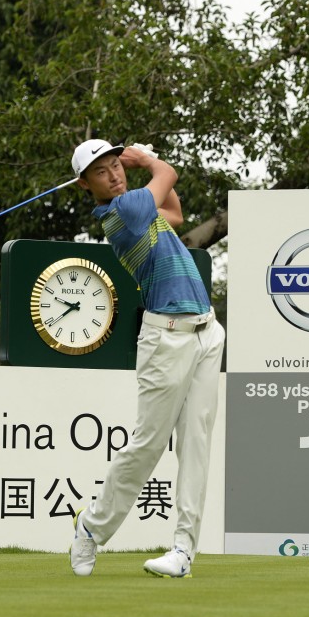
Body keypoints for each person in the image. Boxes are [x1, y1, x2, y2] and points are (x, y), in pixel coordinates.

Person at [68, 139, 225, 579]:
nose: (115, 174)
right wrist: (146, 160)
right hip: (166, 338)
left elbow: (173, 212)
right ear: (86, 185)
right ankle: (91, 528)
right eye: (102, 171)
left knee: (196, 443)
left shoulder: (142, 208)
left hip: (207, 332)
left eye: (118, 165)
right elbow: (168, 176)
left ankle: (182, 551)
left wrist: (146, 166)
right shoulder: (120, 213)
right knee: (148, 445)